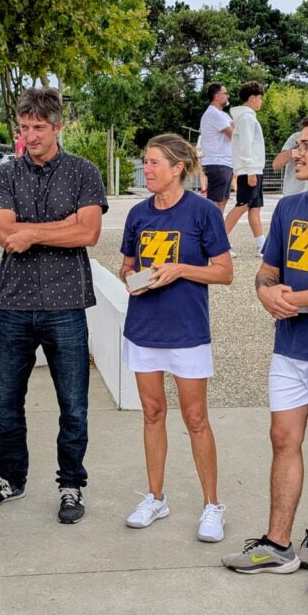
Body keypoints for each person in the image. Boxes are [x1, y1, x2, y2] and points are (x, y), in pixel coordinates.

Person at [222, 115, 308, 575]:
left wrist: (294, 299)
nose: (295, 154)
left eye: (305, 146)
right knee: (283, 439)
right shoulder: (287, 207)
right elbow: (268, 271)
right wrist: (266, 294)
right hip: (289, 346)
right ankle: (277, 543)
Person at [0, 86, 108, 523]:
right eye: (24, 127)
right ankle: (11, 479)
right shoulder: (6, 173)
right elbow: (6, 235)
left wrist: (32, 232)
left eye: (38, 128)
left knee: (74, 404)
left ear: (57, 127)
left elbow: (89, 233)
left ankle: (71, 485)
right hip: (14, 304)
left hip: (66, 304)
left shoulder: (84, 171)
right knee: (7, 402)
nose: (29, 136)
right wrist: (60, 226)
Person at [120, 134, 233, 540]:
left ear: (178, 168)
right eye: (146, 161)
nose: (147, 169)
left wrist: (180, 269)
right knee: (152, 414)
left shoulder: (203, 212)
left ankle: (212, 505)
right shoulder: (138, 214)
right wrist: (134, 279)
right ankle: (155, 497)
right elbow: (126, 265)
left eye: (154, 163)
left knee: (196, 419)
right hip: (143, 329)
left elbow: (225, 272)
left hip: (188, 332)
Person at [224, 81, 266, 256]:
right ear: (252, 98)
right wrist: (250, 170)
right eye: (260, 98)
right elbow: (246, 145)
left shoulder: (246, 117)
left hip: (253, 169)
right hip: (249, 170)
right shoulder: (247, 118)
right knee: (242, 205)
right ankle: (220, 242)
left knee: (254, 208)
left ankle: (262, 245)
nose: (261, 102)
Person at [198, 82, 234, 212]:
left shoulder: (222, 114)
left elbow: (234, 127)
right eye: (225, 93)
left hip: (224, 162)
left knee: (223, 200)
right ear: (217, 96)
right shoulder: (214, 114)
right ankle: (210, 224)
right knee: (215, 202)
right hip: (218, 162)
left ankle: (217, 224)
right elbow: (234, 134)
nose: (228, 96)